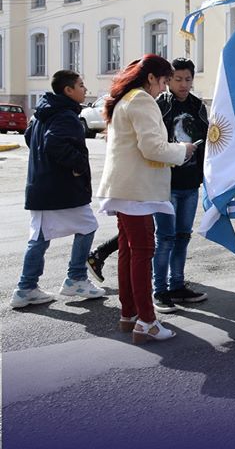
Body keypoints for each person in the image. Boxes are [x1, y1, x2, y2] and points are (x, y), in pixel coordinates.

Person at [97, 55, 194, 343]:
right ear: (152, 77)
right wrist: (183, 150)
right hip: (136, 190)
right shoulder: (141, 99)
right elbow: (152, 148)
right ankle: (147, 322)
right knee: (141, 253)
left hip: (125, 188)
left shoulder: (126, 97)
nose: (164, 88)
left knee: (130, 252)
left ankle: (130, 315)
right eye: (164, 81)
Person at [11, 70, 106, 309]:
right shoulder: (64, 115)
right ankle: (73, 279)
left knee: (41, 236)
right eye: (81, 85)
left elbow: (29, 137)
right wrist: (76, 165)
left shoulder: (43, 111)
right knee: (85, 226)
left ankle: (28, 287)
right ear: (68, 90)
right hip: (57, 189)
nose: (85, 89)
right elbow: (53, 143)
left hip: (45, 187)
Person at [148, 57, 209, 313]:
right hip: (165, 184)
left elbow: (208, 140)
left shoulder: (198, 105)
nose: (183, 84)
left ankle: (177, 285)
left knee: (183, 237)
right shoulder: (159, 105)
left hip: (190, 183)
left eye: (188, 79)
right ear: (168, 80)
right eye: (177, 79)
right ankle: (159, 290)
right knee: (165, 239)